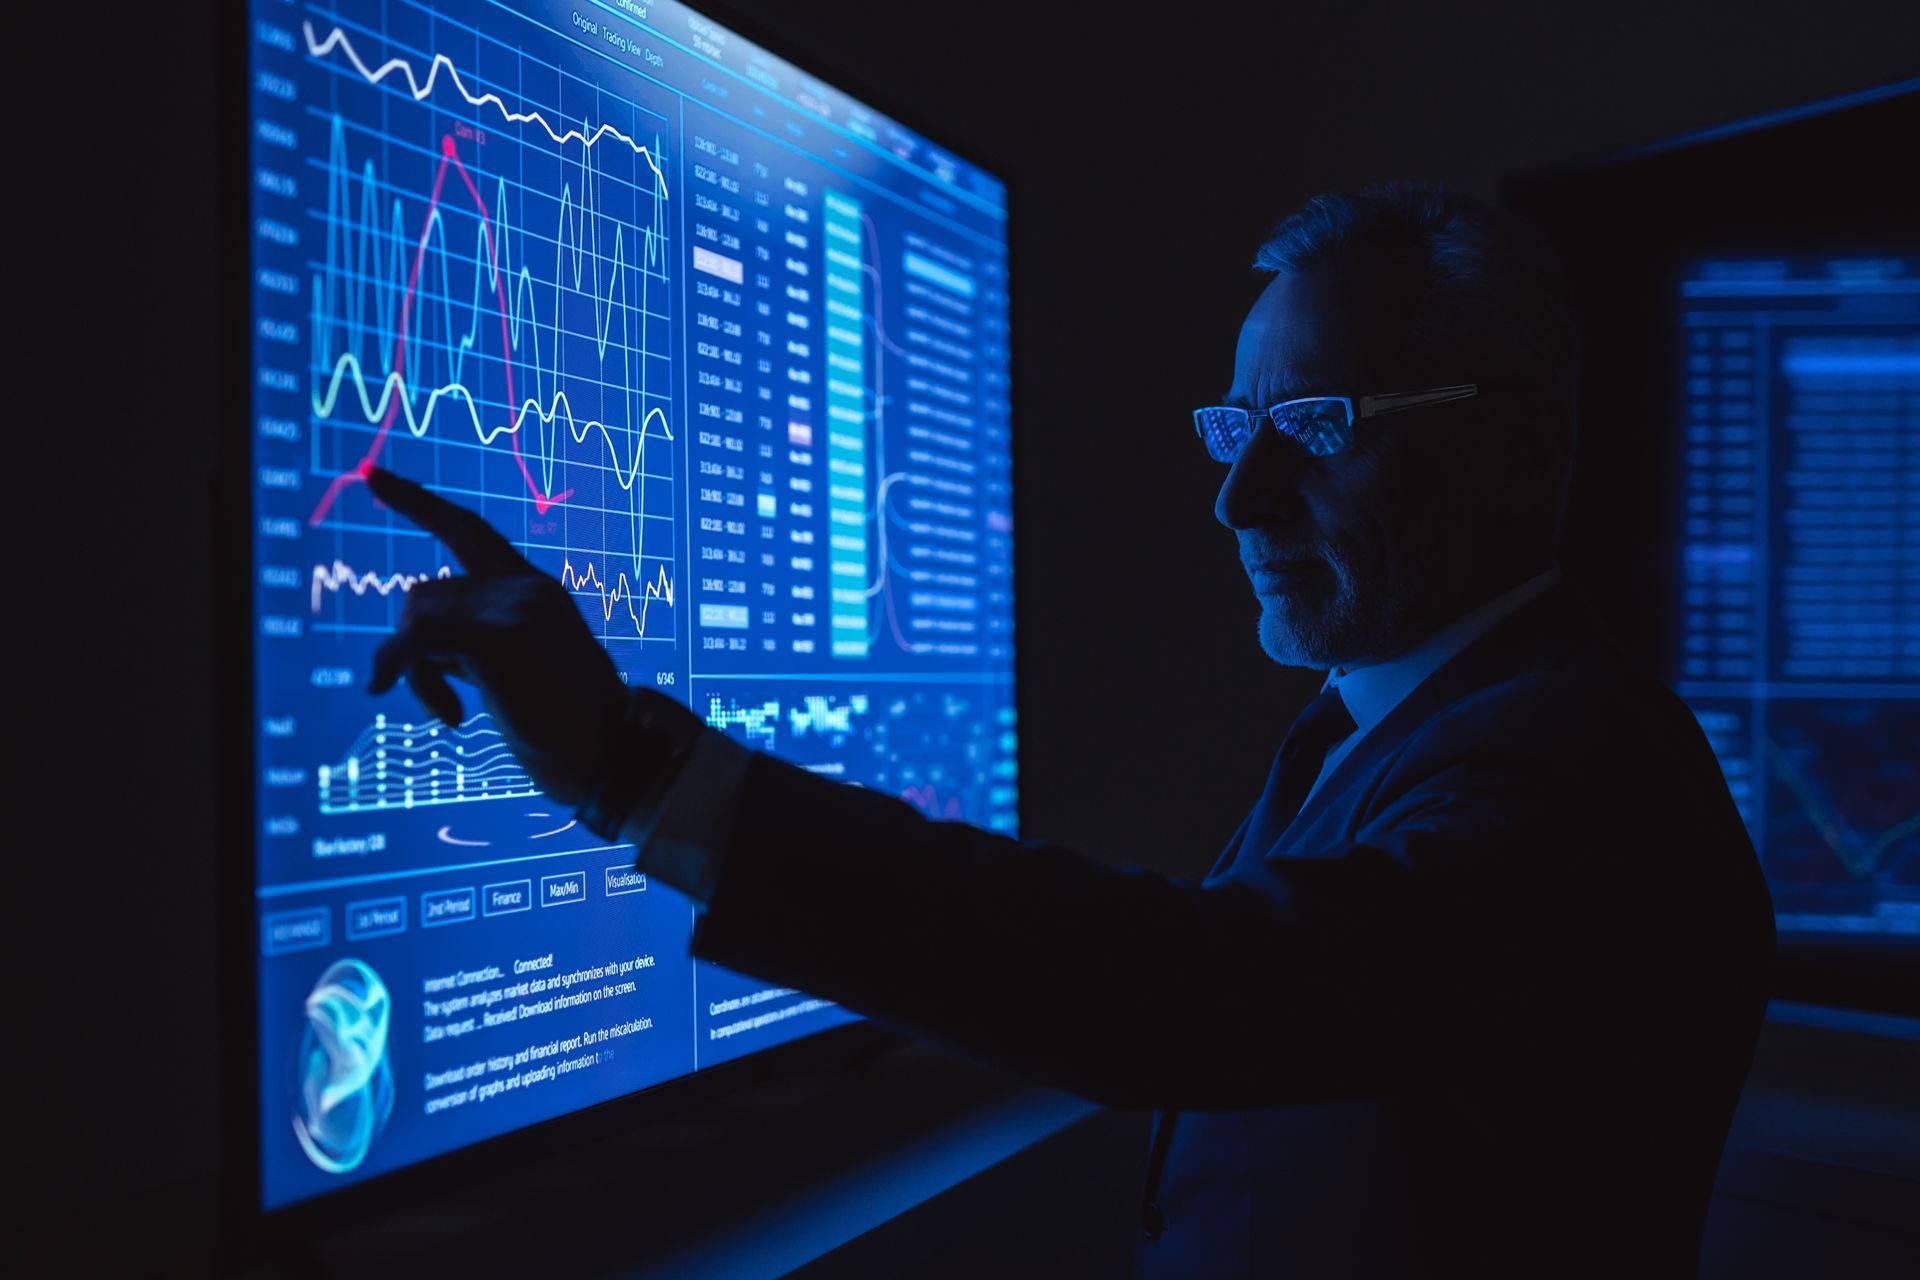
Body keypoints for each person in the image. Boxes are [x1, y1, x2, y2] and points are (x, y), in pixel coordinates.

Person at [362, 182, 1775, 1277]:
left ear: (1518, 451)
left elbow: (1207, 990)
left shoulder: (1583, 770)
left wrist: (634, 770)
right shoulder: (1383, 724)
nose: (1236, 498)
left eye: (1319, 425)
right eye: (1232, 429)